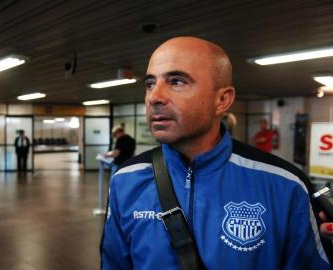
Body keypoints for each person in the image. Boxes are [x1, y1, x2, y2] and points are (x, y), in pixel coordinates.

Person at [100, 37, 332, 269]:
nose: (154, 97)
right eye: (150, 84)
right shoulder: (126, 180)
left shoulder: (285, 185)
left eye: (177, 81)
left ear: (222, 100)